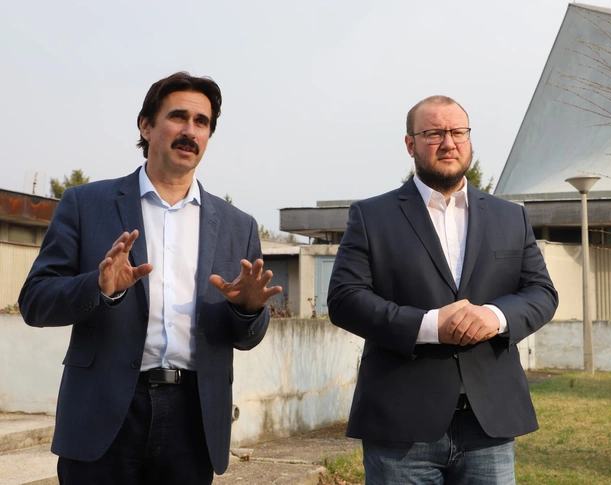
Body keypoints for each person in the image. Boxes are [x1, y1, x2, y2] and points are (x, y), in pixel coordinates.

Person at [18, 71, 282, 485]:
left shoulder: (238, 225)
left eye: (202, 122)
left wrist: (247, 310)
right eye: (178, 117)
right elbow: (35, 301)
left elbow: (247, 337)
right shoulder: (87, 204)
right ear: (146, 125)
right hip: (103, 413)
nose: (190, 131)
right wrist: (98, 287)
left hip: (194, 420)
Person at [327, 95, 558, 484]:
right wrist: (430, 326)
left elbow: (541, 293)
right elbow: (345, 299)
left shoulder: (510, 216)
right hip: (401, 425)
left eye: (458, 132)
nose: (449, 143)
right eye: (434, 133)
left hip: (489, 424)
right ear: (410, 144)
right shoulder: (371, 216)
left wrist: (496, 316)